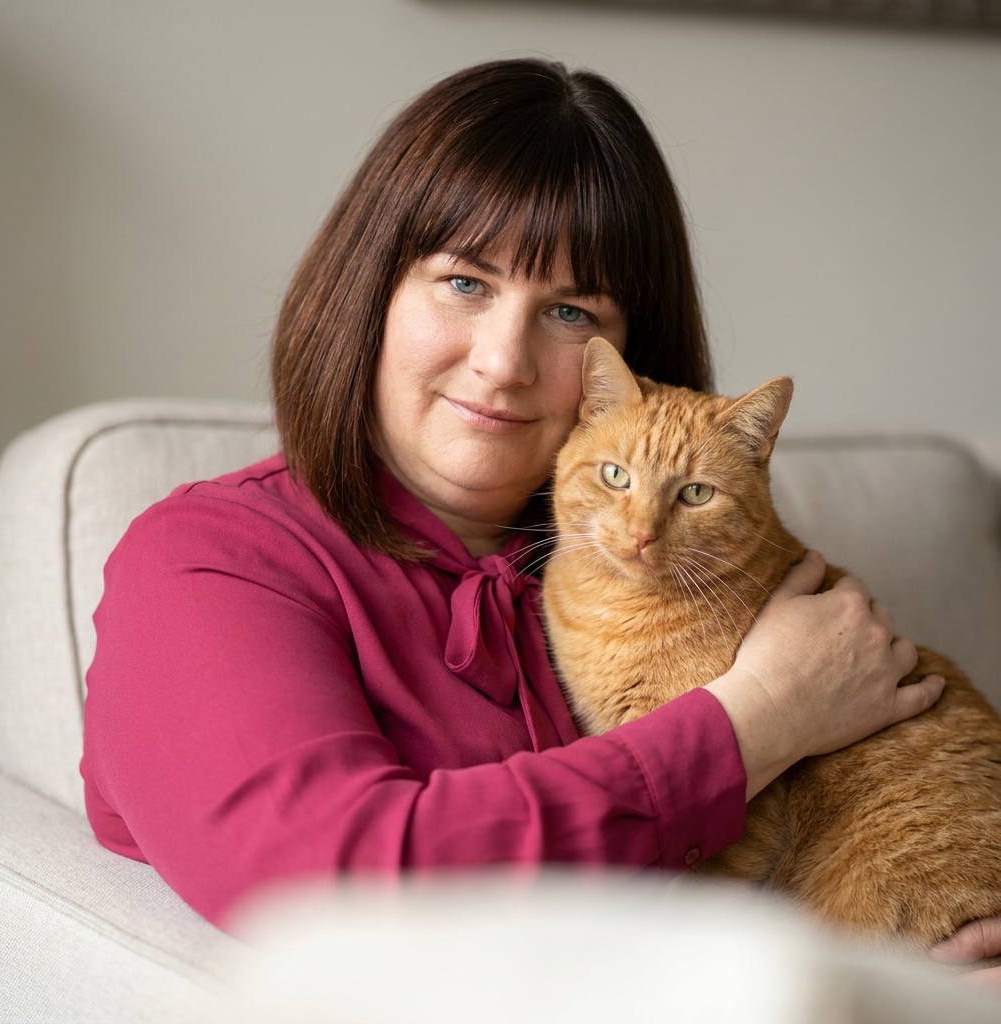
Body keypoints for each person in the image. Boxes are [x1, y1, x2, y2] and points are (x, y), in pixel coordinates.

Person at [81, 59, 988, 967]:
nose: (503, 361)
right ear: (370, 291)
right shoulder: (210, 560)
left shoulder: (658, 566)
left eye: (568, 311)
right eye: (465, 283)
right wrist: (756, 720)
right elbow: (319, 885)